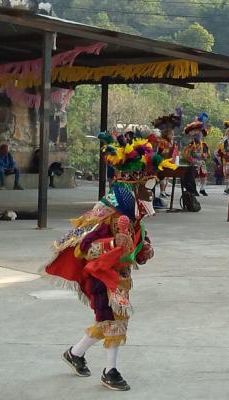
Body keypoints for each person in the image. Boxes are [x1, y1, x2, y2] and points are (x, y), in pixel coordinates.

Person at [42, 131, 176, 391]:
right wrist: (114, 244)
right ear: (134, 185)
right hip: (101, 275)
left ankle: (75, 353)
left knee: (111, 321)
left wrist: (143, 250)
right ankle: (110, 370)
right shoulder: (109, 214)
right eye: (146, 184)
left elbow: (135, 247)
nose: (150, 191)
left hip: (121, 275)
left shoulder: (134, 216)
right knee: (114, 321)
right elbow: (86, 248)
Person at [153, 110, 181, 198]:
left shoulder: (171, 142)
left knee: (166, 178)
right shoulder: (162, 141)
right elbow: (160, 152)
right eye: (171, 134)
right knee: (160, 177)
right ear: (166, 133)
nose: (173, 135)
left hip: (169, 161)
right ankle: (160, 191)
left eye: (173, 134)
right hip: (162, 161)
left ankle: (163, 191)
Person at [181, 114, 211, 196]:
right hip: (193, 163)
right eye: (197, 134)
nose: (199, 135)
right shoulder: (190, 144)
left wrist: (205, 155)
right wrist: (192, 160)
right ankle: (193, 189)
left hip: (201, 162)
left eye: (200, 134)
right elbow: (185, 154)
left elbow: (207, 154)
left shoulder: (203, 145)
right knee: (194, 176)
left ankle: (202, 189)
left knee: (204, 176)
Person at [217, 119, 229, 194]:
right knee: (228, 173)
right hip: (228, 156)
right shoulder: (226, 139)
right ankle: (227, 188)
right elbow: (222, 149)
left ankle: (228, 188)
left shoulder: (228, 139)